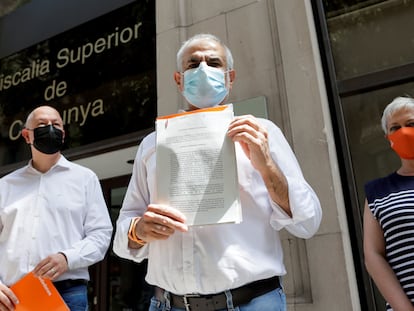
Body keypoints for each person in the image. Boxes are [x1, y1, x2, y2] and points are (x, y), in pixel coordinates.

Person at [113, 33, 322, 311]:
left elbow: (308, 222)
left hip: (251, 303)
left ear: (229, 77)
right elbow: (124, 228)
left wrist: (266, 165)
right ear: (178, 79)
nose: (203, 69)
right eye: (193, 64)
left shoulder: (262, 133)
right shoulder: (152, 144)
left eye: (213, 62)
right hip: (169, 304)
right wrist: (138, 230)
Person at [0, 106, 113, 311]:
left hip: (66, 294)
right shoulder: (5, 186)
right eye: (42, 125)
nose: (50, 129)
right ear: (26, 135)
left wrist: (67, 257)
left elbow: (101, 235)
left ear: (63, 134)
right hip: (10, 296)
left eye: (56, 125)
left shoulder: (85, 179)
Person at [364, 96, 414, 311]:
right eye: (395, 128)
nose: (403, 132)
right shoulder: (378, 192)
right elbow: (373, 255)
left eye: (410, 124)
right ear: (389, 139)